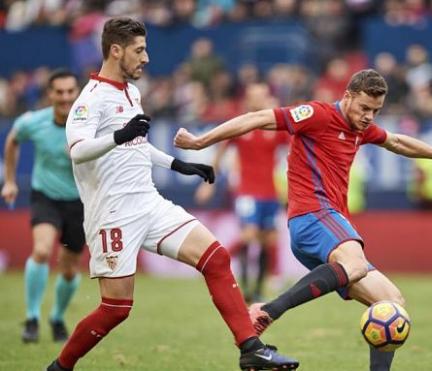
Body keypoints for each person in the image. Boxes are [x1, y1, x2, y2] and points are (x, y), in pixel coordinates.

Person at [175, 68, 432, 370]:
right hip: (313, 214)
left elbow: (398, 142)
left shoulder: (362, 129)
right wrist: (202, 142)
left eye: (376, 110)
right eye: (364, 108)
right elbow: (257, 118)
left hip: (324, 227)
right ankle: (267, 310)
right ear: (347, 96)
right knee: (356, 264)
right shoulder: (316, 114)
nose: (369, 116)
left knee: (391, 303)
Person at [46, 17, 298, 371]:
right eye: (139, 50)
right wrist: (119, 136)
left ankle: (250, 349)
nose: (146, 58)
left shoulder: (131, 92)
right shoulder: (90, 100)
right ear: (115, 51)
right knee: (116, 309)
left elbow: (135, 144)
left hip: (149, 203)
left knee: (216, 258)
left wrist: (181, 165)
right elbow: (78, 150)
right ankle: (59, 367)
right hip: (113, 213)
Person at [2, 70, 83, 344]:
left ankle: (57, 317)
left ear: (77, 93)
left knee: (69, 269)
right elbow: (13, 140)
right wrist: (10, 181)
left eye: (70, 91)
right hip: (45, 196)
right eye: (59, 92)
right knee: (41, 250)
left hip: (80, 203)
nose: (65, 97)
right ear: (50, 94)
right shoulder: (33, 122)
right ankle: (32, 317)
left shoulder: (88, 125)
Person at [195, 82, 289, 303]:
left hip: (270, 192)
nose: (259, 99)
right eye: (255, 96)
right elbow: (220, 151)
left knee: (268, 239)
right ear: (248, 99)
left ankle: (257, 289)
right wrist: (208, 183)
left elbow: (293, 147)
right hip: (246, 191)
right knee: (249, 234)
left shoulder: (274, 126)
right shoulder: (240, 124)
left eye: (263, 95)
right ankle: (244, 286)